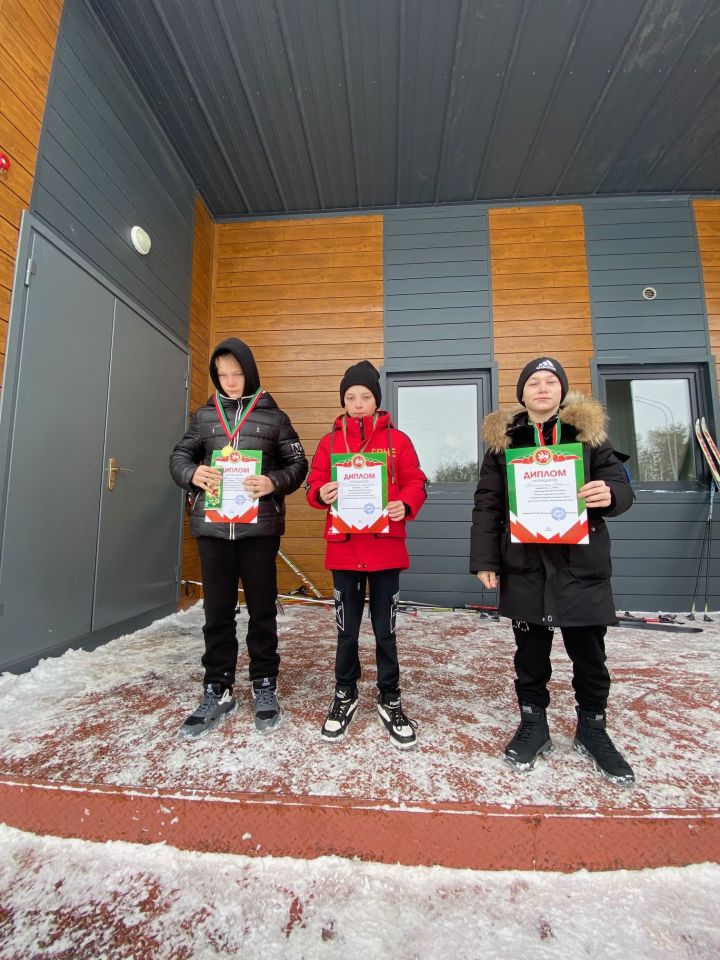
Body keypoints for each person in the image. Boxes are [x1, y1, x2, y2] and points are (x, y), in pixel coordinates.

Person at [469, 357, 635, 784]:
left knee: (590, 657)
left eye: (550, 382)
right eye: (534, 383)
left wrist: (609, 494)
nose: (542, 389)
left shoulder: (587, 437)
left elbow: (621, 489)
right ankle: (533, 723)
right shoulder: (504, 443)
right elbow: (488, 504)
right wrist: (485, 560)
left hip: (582, 567)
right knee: (529, 656)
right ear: (522, 395)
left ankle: (593, 729)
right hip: (525, 566)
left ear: (561, 392)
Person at [170, 337, 308, 739]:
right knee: (217, 612)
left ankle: (264, 683)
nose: (230, 382)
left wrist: (272, 481)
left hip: (258, 530)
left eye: (236, 373)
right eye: (222, 375)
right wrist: (192, 474)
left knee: (262, 610)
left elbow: (298, 464)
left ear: (250, 372)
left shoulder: (274, 417)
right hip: (213, 529)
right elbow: (179, 457)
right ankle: (218, 687)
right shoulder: (204, 417)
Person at [306, 361, 427, 749]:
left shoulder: (398, 440)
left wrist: (404, 504)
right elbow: (315, 481)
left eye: (365, 397)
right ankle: (345, 693)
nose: (358, 403)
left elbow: (416, 480)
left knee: (385, 630)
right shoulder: (330, 442)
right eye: (350, 397)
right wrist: (320, 493)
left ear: (376, 400)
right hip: (344, 550)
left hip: (385, 549)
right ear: (343, 402)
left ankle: (390, 697)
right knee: (346, 630)